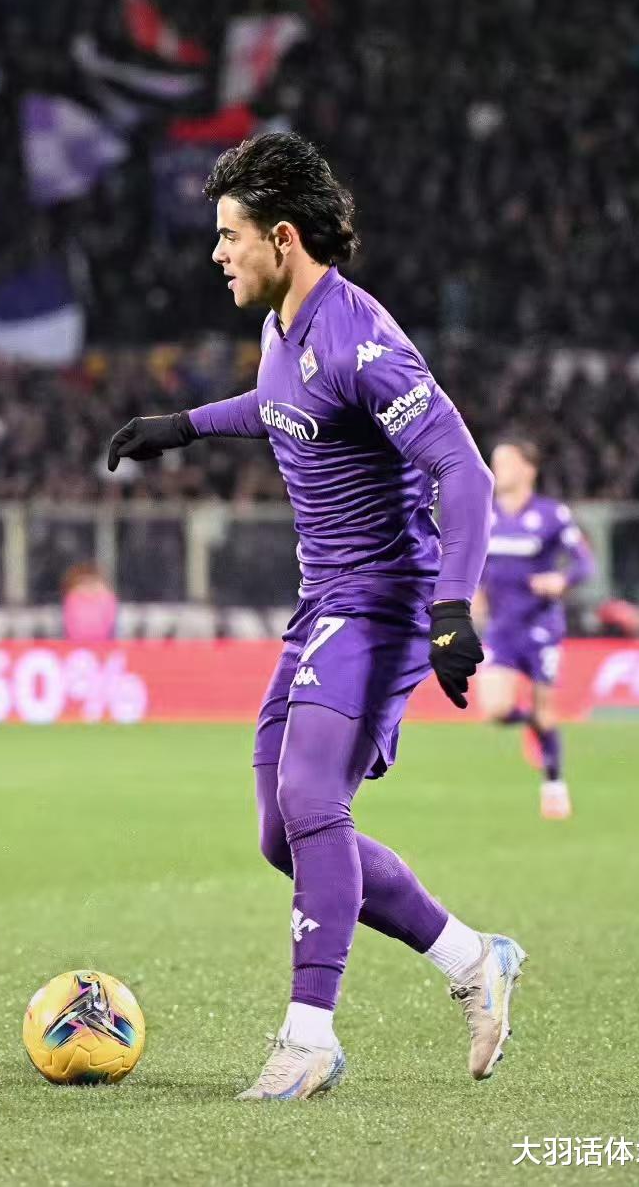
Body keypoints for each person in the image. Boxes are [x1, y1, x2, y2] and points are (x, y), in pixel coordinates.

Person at [107, 132, 525, 1102]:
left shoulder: (360, 340)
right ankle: (474, 958)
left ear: (283, 238)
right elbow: (281, 404)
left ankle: (309, 1038)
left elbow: (462, 469)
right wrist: (184, 427)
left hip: (382, 602)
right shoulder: (283, 328)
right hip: (322, 603)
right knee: (281, 835)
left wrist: (451, 609)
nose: (217, 252)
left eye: (230, 234)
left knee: (310, 800)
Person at [474, 437, 595, 819]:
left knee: (546, 709)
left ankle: (554, 784)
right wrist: (474, 594)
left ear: (528, 469)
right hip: (502, 628)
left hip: (540, 625)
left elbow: (584, 564)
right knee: (495, 709)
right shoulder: (485, 515)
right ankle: (531, 725)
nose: (498, 470)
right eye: (495, 462)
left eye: (506, 462)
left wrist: (562, 581)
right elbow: (477, 564)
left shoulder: (551, 515)